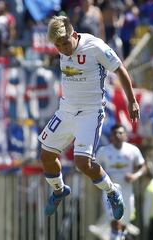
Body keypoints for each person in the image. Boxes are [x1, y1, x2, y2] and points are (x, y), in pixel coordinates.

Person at [38, 16, 140, 221]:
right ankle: (59, 191)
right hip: (66, 110)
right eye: (58, 46)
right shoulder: (61, 47)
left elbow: (119, 69)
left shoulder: (94, 46)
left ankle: (112, 191)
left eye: (65, 43)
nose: (63, 49)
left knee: (82, 163)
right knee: (46, 156)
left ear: (74, 35)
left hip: (91, 112)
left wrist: (132, 101)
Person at [96, 124, 146, 240]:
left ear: (125, 135)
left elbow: (143, 167)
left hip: (127, 192)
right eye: (115, 133)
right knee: (114, 218)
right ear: (111, 136)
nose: (118, 135)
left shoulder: (133, 150)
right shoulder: (104, 151)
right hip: (110, 191)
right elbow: (94, 167)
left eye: (120, 133)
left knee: (124, 222)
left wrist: (135, 175)